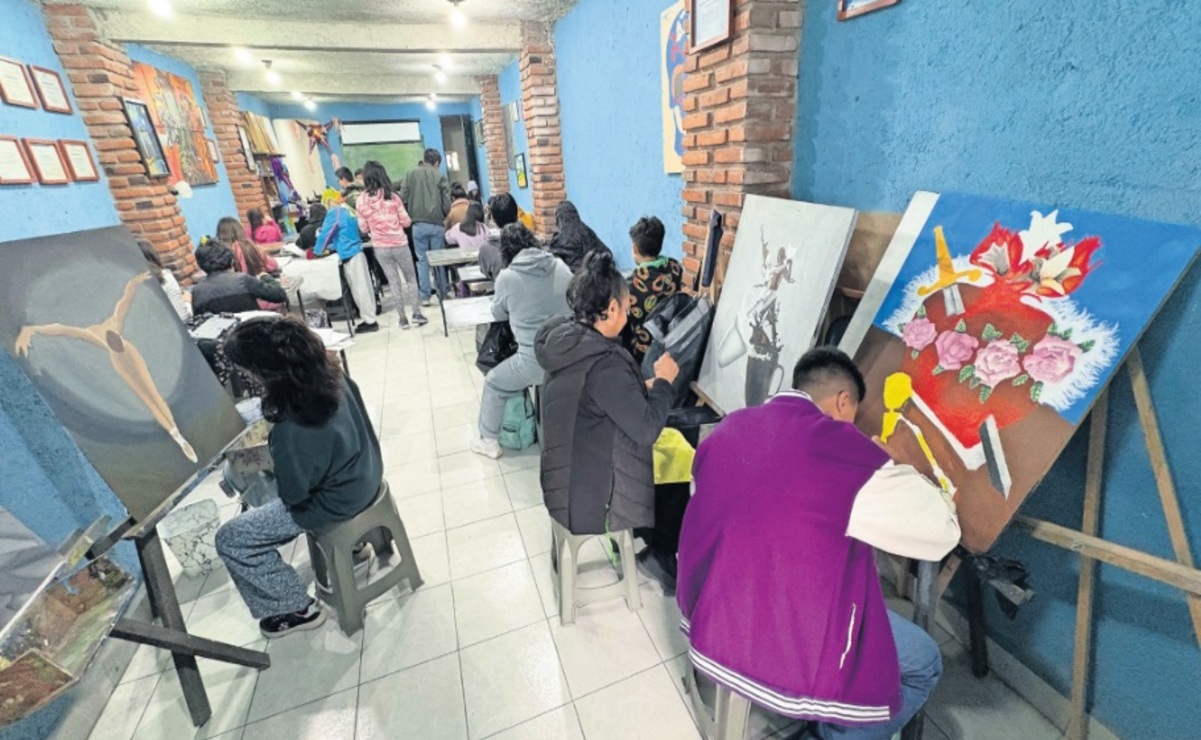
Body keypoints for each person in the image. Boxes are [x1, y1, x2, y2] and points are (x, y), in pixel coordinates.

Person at [677, 347, 960, 740]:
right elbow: (942, 532)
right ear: (844, 401)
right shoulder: (850, 455)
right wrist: (898, 466)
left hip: (709, 612)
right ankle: (833, 732)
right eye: (854, 415)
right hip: (775, 638)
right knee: (924, 662)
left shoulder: (729, 427)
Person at [215, 317, 382, 638]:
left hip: (338, 501)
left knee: (232, 538)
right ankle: (354, 547)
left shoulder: (293, 428)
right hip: (367, 473)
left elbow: (294, 497)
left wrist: (273, 462)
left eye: (247, 372)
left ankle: (294, 607)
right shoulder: (333, 376)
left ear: (265, 373)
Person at [534, 250, 679, 535]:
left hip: (562, 482)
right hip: (586, 502)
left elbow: (594, 397)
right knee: (673, 490)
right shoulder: (604, 364)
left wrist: (641, 387)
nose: (627, 315)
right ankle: (657, 556)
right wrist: (664, 382)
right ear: (612, 309)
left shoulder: (570, 343)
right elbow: (647, 429)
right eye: (626, 308)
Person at [469, 225, 573, 460]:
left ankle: (488, 441)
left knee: (494, 382)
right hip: (568, 355)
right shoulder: (560, 265)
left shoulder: (507, 277)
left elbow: (498, 313)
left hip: (534, 362)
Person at [355, 160, 427, 329]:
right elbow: (407, 221)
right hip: (400, 243)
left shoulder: (361, 201)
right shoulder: (393, 197)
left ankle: (402, 319)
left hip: (380, 247)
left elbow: (363, 227)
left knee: (394, 282)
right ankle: (416, 313)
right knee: (410, 279)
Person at [623, 216, 685, 364]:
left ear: (635, 248)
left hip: (642, 353)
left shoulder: (628, 285)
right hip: (672, 342)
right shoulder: (675, 268)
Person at [315, 192, 379, 332]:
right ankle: (370, 317)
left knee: (360, 290)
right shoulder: (348, 211)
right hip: (357, 251)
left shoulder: (334, 212)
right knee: (366, 288)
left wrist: (317, 251)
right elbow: (342, 235)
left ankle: (370, 321)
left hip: (349, 255)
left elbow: (326, 233)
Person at [400, 148, 452, 305]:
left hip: (417, 225)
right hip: (436, 224)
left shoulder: (410, 174)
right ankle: (442, 293)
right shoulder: (440, 176)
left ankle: (425, 296)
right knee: (438, 260)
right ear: (436, 163)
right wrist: (443, 214)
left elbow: (403, 197)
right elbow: (447, 202)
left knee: (422, 260)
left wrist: (411, 213)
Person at [191, 241, 287, 315]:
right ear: (232, 261)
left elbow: (200, 321)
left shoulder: (197, 291)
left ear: (201, 267)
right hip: (254, 332)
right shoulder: (243, 280)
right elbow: (279, 295)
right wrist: (265, 277)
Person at [548, 200, 611, 272]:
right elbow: (606, 251)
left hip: (574, 277)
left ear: (558, 217)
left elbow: (551, 263)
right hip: (593, 273)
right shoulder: (587, 231)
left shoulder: (558, 239)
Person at [138, 239, 190, 320]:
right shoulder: (165, 276)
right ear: (153, 256)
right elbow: (182, 316)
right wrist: (187, 302)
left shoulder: (132, 285)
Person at [479, 193, 519, 280]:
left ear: (492, 218)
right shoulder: (530, 241)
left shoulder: (486, 247)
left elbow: (486, 271)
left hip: (505, 291)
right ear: (517, 214)